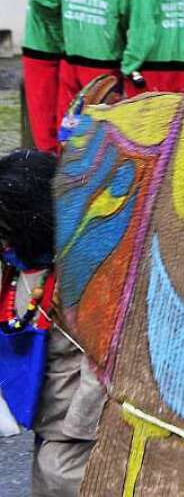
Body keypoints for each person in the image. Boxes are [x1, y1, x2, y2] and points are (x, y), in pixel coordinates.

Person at [0, 150, 104, 496]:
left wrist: (77, 429)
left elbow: (103, 362)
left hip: (74, 429)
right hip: (45, 420)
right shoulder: (18, 266)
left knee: (58, 476)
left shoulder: (80, 274)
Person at [22, 0, 86, 152]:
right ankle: (48, 161)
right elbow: (43, 5)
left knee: (49, 112)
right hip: (43, 52)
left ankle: (50, 156)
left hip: (43, 50)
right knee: (45, 113)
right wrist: (63, 38)